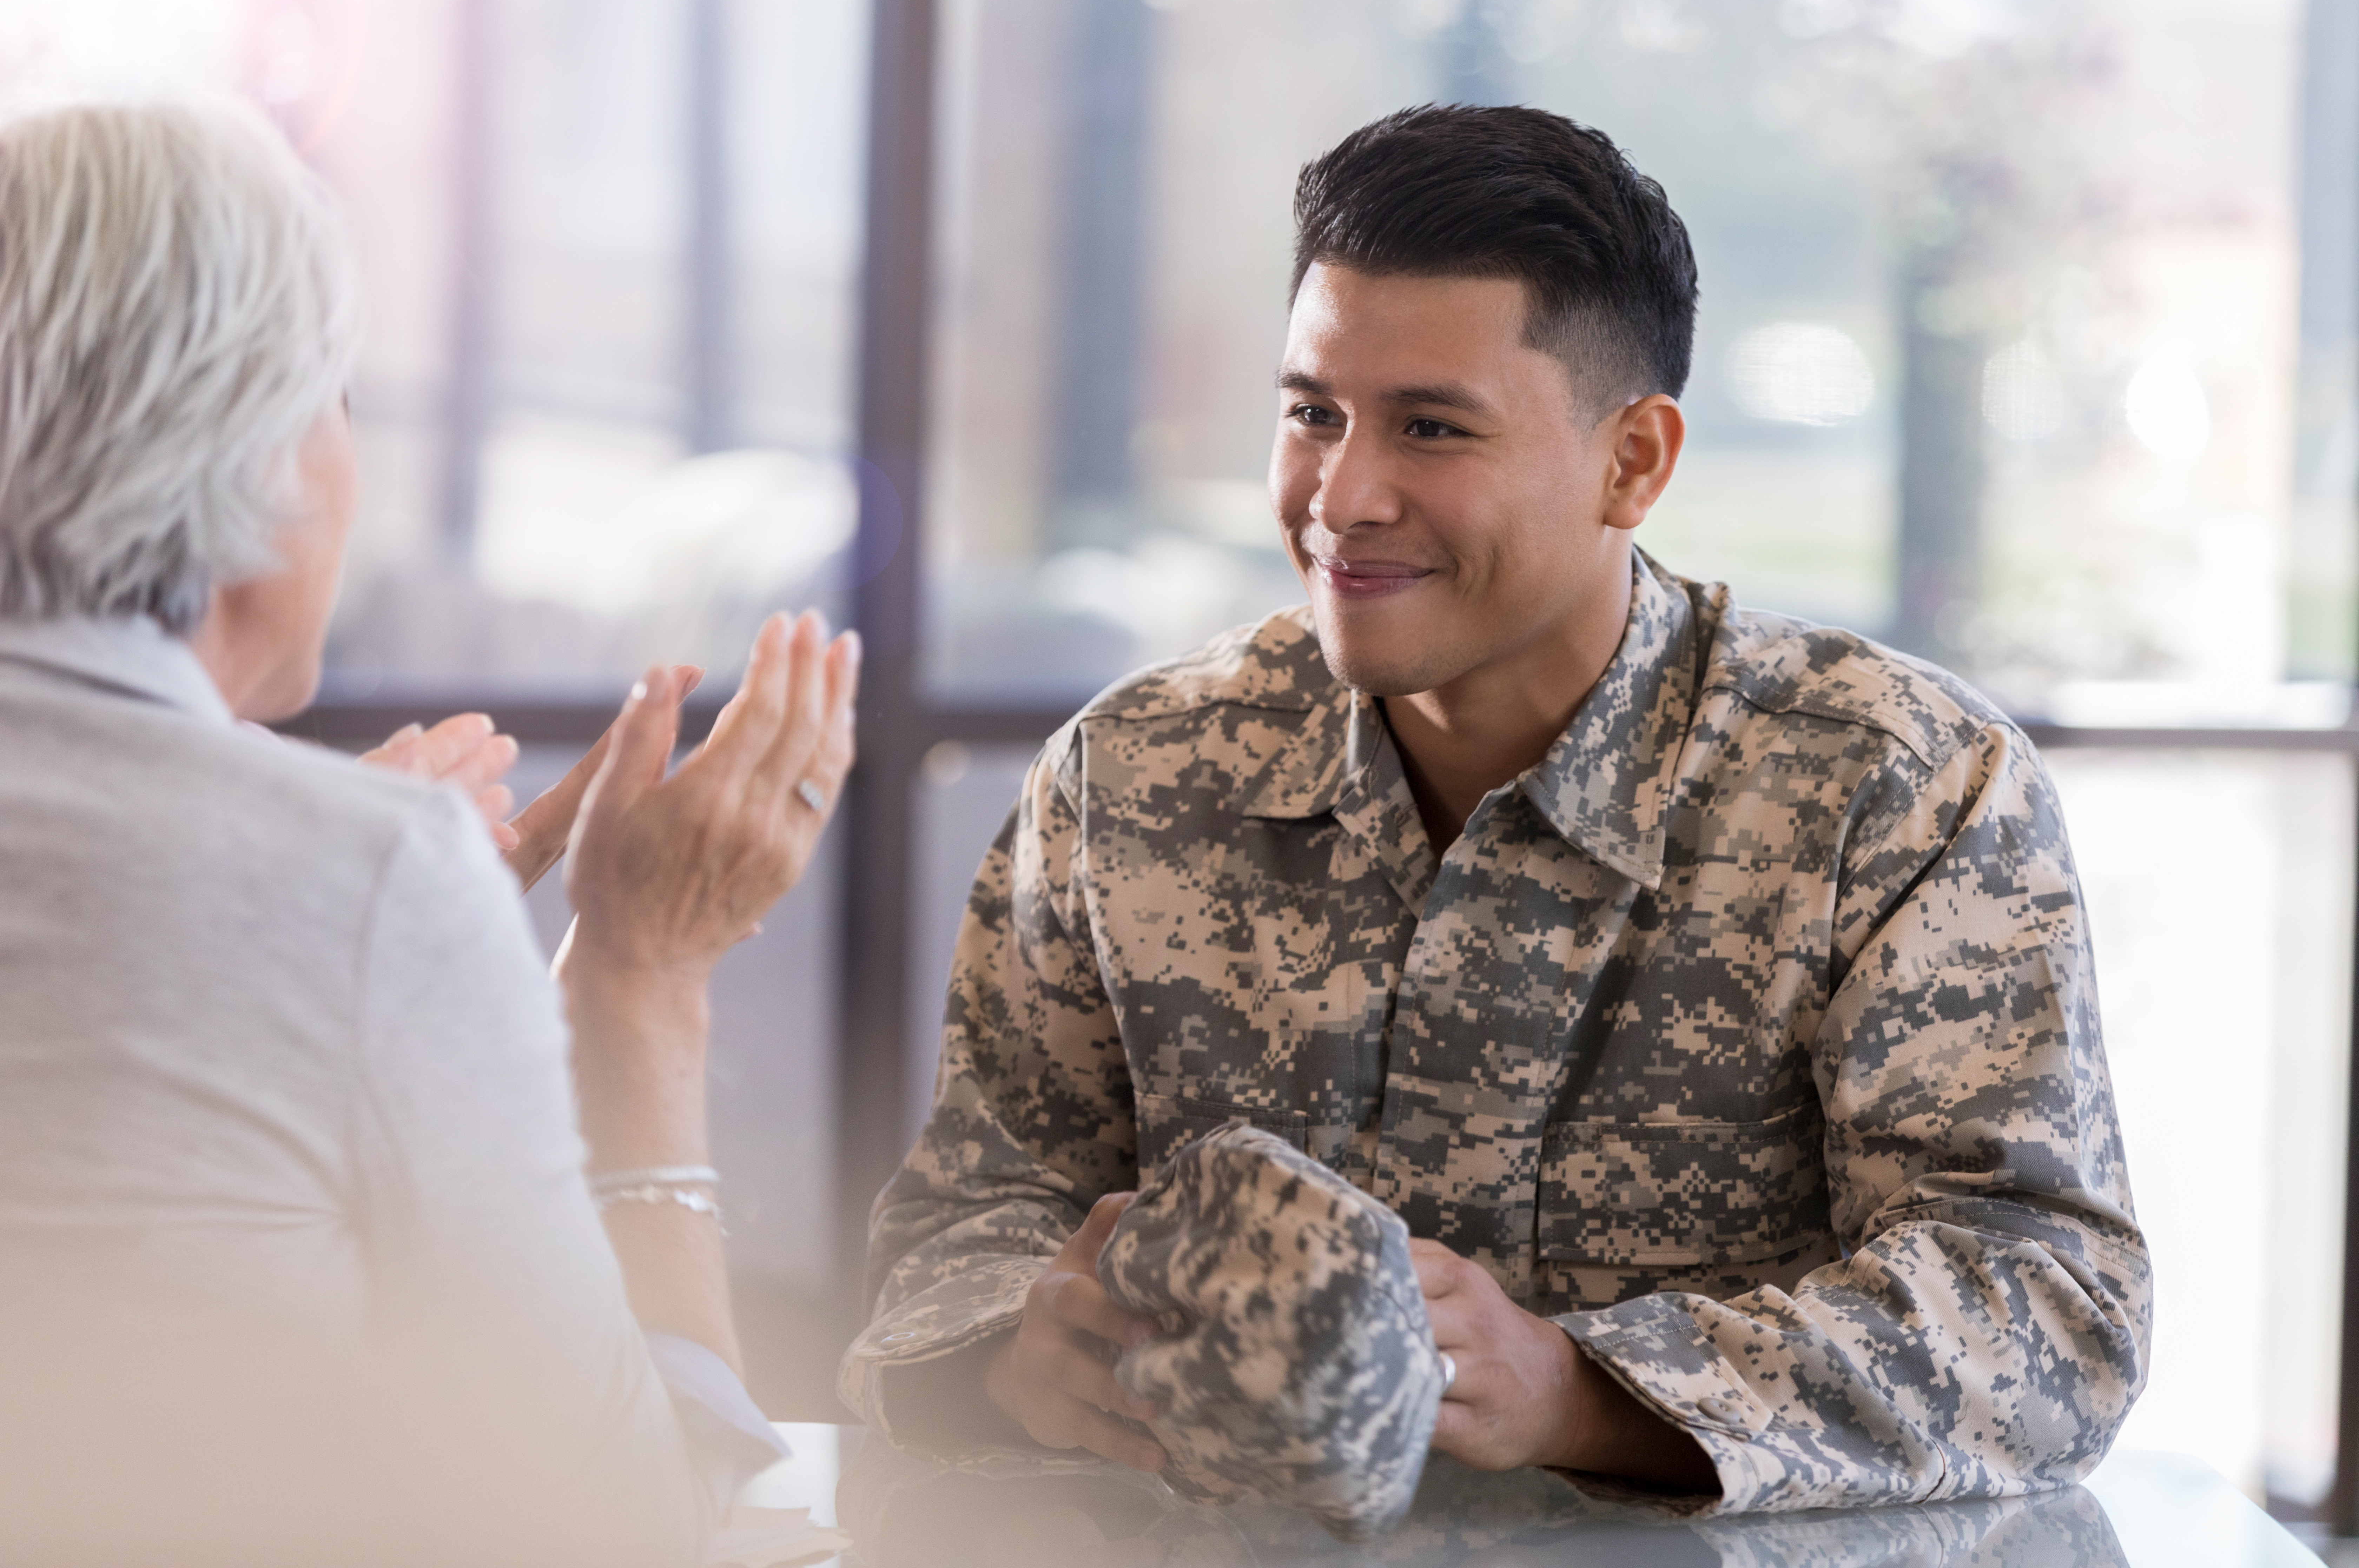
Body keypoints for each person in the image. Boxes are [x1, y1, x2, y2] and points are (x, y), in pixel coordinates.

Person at [845, 104, 2149, 1515]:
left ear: (1633, 462)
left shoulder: (1898, 788)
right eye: (1313, 414)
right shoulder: (1130, 774)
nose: (1342, 497)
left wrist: (1575, 1391)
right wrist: (1016, 1348)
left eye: (1431, 428)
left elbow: (2047, 1305)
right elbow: (964, 1224)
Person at [0, 100, 858, 1565]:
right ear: (252, 453)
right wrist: (637, 977)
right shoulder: (366, 882)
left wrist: (329, 885)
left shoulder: (352, 874)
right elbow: (615, 1527)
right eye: (334, 398)